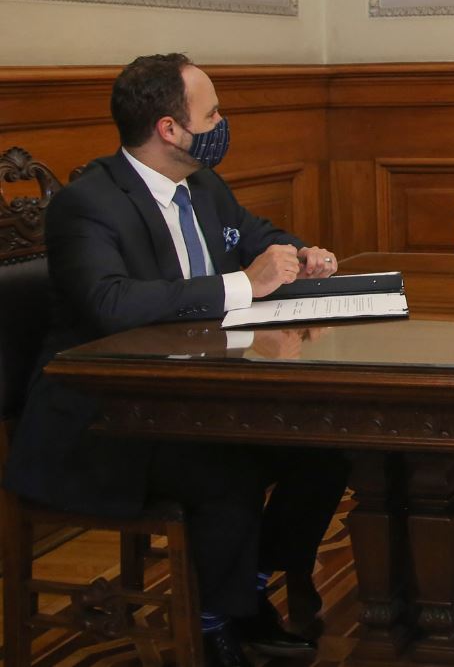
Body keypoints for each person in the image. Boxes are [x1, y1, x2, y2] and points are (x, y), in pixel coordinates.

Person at [3, 53, 350, 667]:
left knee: (324, 452)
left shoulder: (204, 186)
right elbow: (110, 303)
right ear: (169, 128)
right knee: (227, 475)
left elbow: (255, 233)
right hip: (100, 418)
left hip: (194, 396)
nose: (222, 122)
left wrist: (298, 252)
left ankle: (248, 590)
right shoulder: (88, 204)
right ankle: (213, 625)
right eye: (211, 112)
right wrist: (243, 283)